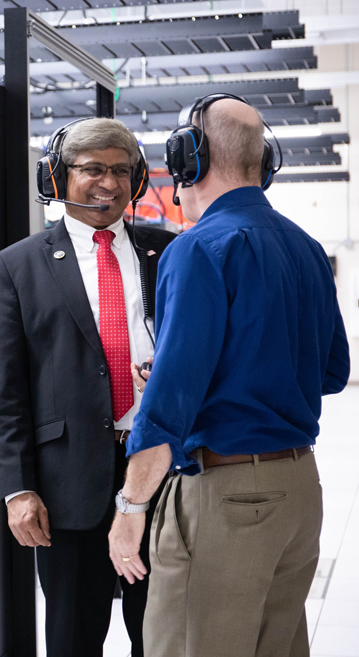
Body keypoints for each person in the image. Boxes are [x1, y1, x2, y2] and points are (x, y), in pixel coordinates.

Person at [107, 97, 351, 657]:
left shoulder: (198, 250)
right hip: (298, 494)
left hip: (227, 500)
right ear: (264, 162)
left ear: (189, 157)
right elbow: (334, 372)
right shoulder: (307, 249)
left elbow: (167, 409)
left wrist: (130, 510)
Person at [0, 117, 177, 657]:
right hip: (67, 487)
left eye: (122, 171)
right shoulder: (17, 266)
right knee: (72, 638)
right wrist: (17, 489)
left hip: (160, 474)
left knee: (162, 635)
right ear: (57, 176)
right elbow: (8, 392)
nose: (110, 184)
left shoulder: (168, 254)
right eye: (93, 169)